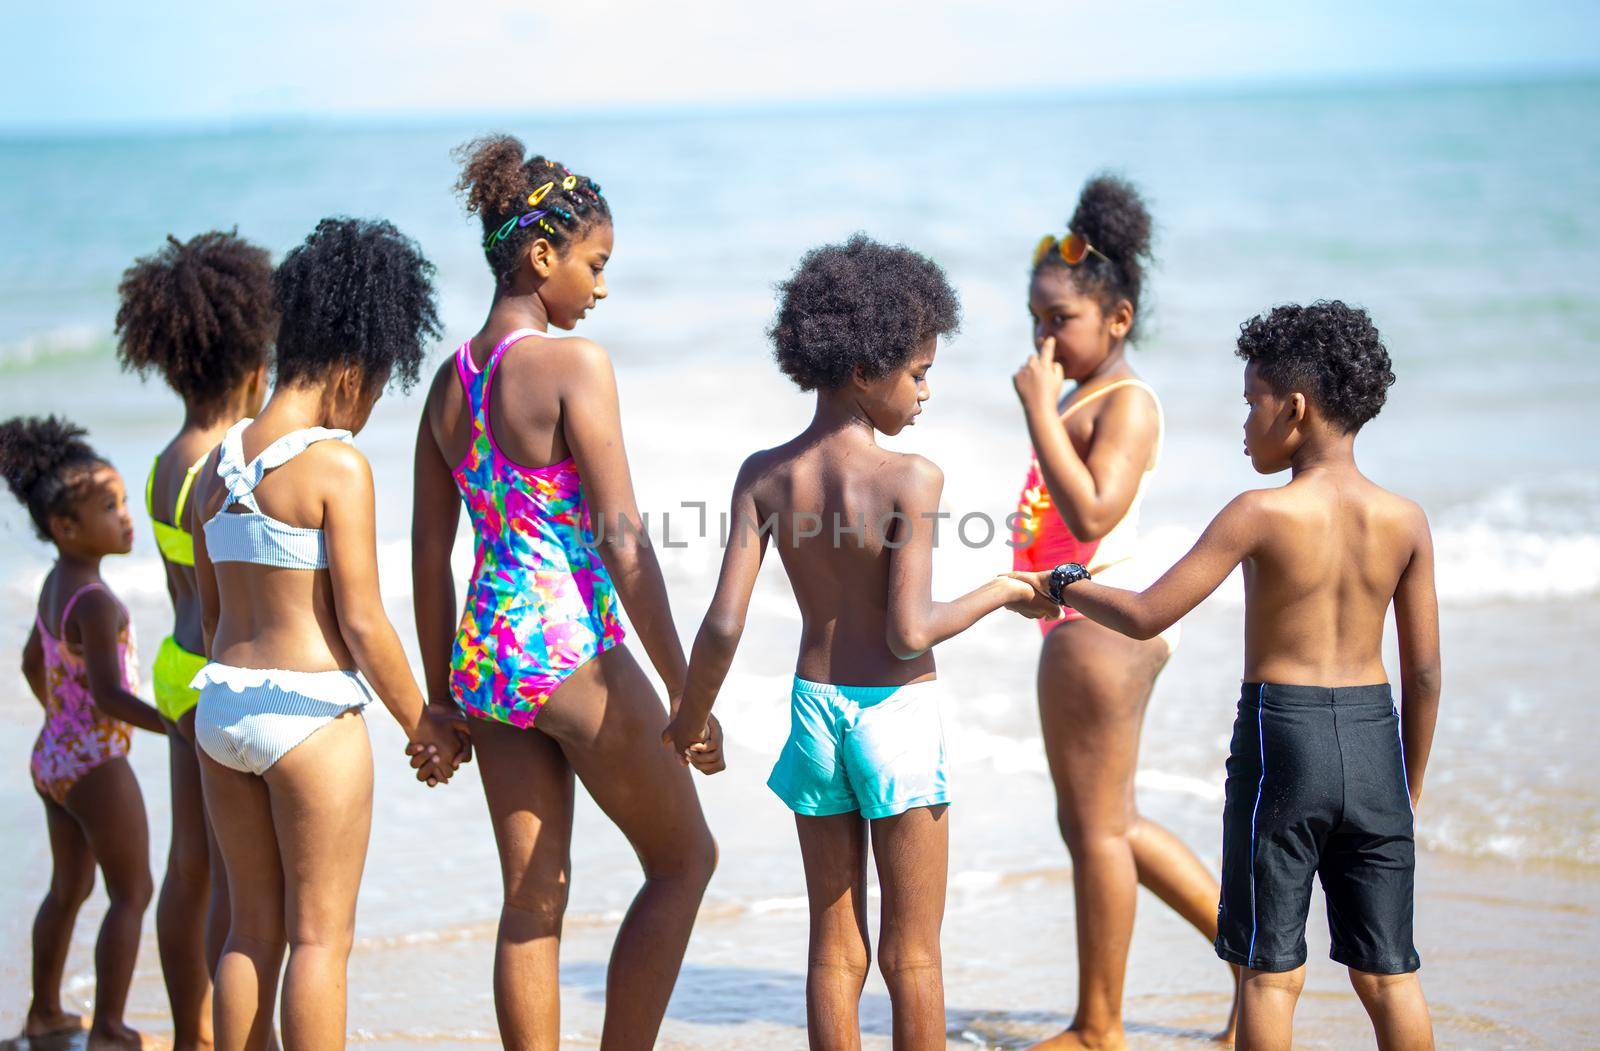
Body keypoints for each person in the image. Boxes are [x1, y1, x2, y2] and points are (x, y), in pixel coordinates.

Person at [664, 235, 1059, 1049]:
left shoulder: (763, 474)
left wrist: (690, 717)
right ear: (861, 368)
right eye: (917, 373)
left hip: (814, 710)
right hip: (895, 714)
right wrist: (1005, 590)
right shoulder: (910, 478)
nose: (925, 392)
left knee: (832, 946)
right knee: (912, 954)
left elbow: (724, 622)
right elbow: (909, 629)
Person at [1014, 301, 1439, 1051]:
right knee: (1388, 975)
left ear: (1296, 409)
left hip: (1287, 739)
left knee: (1267, 973)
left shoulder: (1258, 513)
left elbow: (1146, 612)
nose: (1244, 422)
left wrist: (1064, 584)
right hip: (1377, 740)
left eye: (1253, 403)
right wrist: (1407, 784)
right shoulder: (1406, 519)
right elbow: (1427, 672)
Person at [411, 136, 718, 1050]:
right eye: (595, 263)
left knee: (532, 900)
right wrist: (684, 688)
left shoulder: (448, 383)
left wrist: (440, 694)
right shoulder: (572, 367)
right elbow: (622, 540)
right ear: (541, 256)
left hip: (486, 659)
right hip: (566, 644)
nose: (602, 287)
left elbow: (431, 551)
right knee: (684, 859)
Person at [189, 217, 466, 1051]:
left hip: (222, 710)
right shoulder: (336, 466)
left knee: (249, 933)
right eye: (377, 390)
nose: (369, 412)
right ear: (351, 370)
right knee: (320, 941)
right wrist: (428, 720)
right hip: (309, 721)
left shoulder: (215, 467)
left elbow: (212, 613)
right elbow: (362, 620)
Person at [1010, 175, 1235, 1048]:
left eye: (1061, 318)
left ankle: (1098, 1026)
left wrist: (1036, 413)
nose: (1044, 336)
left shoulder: (1125, 402)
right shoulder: (1086, 397)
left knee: (1098, 829)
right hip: (1081, 623)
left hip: (1104, 626)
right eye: (1035, 318)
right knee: (1105, 824)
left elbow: (1096, 513)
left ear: (1118, 319)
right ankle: (1257, 958)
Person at [116, 229, 275, 1051]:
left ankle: (190, 1032)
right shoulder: (227, 463)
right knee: (236, 877)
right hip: (220, 673)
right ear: (254, 366)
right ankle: (228, 1030)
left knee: (189, 865)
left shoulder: (161, 462)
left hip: (176, 668)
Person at [3, 415, 165, 1050]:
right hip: (96, 762)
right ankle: (109, 1029)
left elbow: (27, 660)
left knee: (68, 888)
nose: (126, 518)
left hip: (53, 757)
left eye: (124, 502)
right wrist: (170, 725)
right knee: (133, 890)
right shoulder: (96, 601)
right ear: (65, 528)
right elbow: (109, 695)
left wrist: (59, 719)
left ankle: (44, 1014)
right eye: (109, 507)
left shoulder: (57, 585)